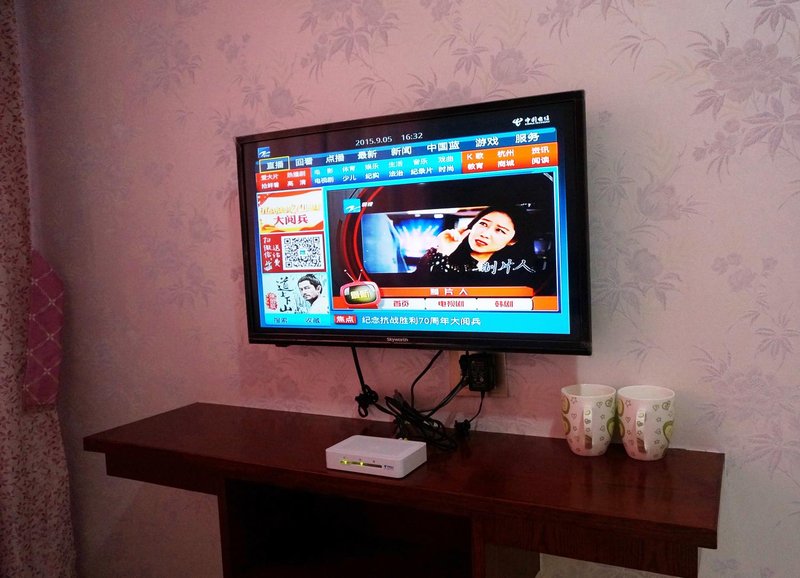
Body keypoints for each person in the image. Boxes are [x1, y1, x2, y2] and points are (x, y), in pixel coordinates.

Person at [415, 205, 553, 291]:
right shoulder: (436, 255)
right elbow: (421, 291)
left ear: (512, 241)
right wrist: (443, 252)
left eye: (500, 230)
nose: (485, 234)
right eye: (483, 224)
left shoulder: (519, 272)